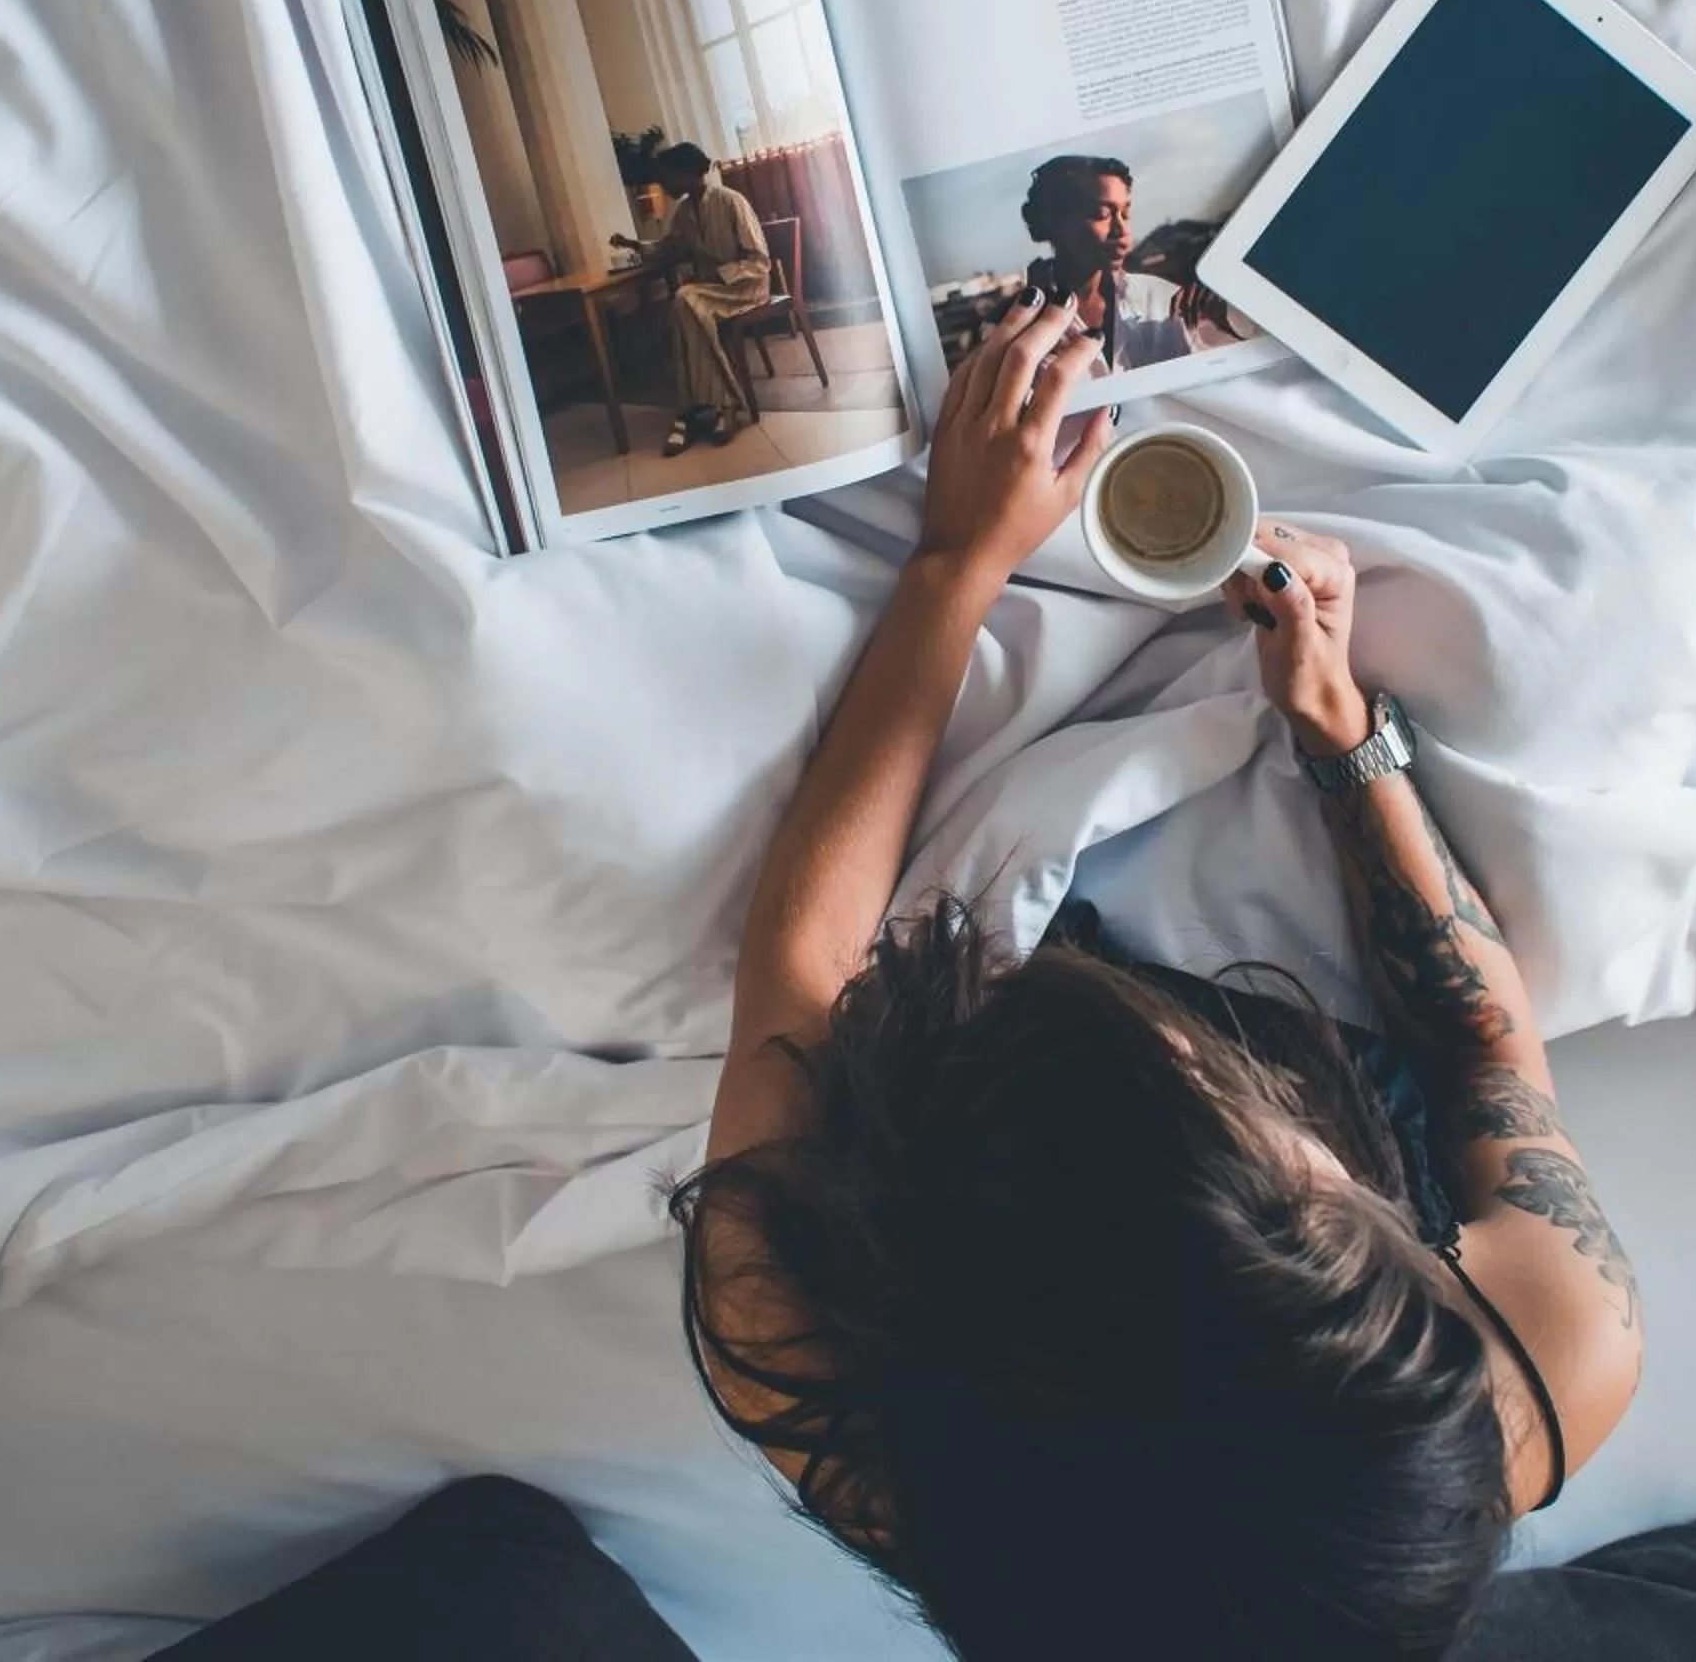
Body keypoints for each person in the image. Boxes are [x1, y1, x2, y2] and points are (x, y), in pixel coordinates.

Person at [674, 292, 1646, 1661]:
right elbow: (1486, 1061)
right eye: (1329, 1190)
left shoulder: (803, 1356)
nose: (1255, 1087)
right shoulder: (1541, 1368)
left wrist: (957, 560)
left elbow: (806, 971)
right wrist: (1341, 735)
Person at [1019, 153, 1246, 372]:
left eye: (1125, 214)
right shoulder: (1017, 326)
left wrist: (1226, 318)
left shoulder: (1168, 302)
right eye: (1102, 213)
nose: (1122, 230)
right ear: (1055, 222)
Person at [612, 143, 769, 457]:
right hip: (710, 293)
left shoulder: (730, 201)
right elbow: (669, 247)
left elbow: (758, 260)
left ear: (687, 174)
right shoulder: (684, 213)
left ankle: (698, 409)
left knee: (686, 297)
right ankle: (716, 405)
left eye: (667, 176)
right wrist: (634, 244)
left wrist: (719, 277)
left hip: (745, 286)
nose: (663, 185)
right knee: (686, 307)